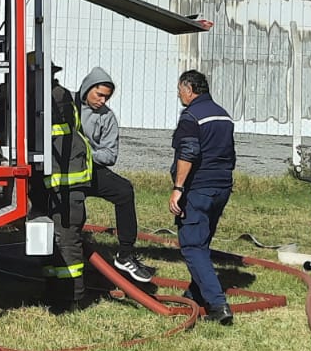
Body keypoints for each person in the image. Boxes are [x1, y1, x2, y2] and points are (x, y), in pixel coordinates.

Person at [169, 69, 237, 325]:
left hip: (199, 188)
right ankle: (193, 295)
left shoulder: (192, 116)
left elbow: (188, 153)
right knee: (202, 241)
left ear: (188, 89)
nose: (178, 95)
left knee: (192, 245)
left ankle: (218, 305)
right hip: (222, 187)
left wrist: (178, 188)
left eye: (179, 90)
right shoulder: (223, 115)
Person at [76, 67, 155, 284]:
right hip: (64, 174)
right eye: (99, 95)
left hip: (90, 171)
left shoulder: (107, 117)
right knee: (75, 216)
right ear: (87, 88)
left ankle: (125, 254)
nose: (102, 101)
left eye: (107, 97)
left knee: (124, 190)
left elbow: (110, 155)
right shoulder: (66, 106)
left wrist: (85, 154)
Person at [41, 64, 93, 312]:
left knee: (67, 240)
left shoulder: (52, 97)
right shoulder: (57, 94)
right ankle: (54, 293)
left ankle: (74, 298)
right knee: (56, 240)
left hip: (66, 188)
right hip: (59, 185)